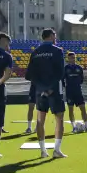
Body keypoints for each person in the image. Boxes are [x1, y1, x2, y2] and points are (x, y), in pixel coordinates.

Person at [26, 28, 67, 159]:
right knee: (59, 119)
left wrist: (42, 87)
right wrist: (50, 88)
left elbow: (28, 75)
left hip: (39, 90)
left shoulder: (35, 52)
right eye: (54, 35)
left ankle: (43, 151)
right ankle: (57, 150)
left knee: (40, 120)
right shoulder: (57, 51)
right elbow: (60, 72)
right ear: (50, 36)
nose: (56, 38)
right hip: (54, 89)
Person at [64, 52, 87, 133]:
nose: (73, 59)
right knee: (71, 110)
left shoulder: (79, 68)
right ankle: (74, 127)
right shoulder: (65, 68)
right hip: (69, 91)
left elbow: (81, 79)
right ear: (68, 58)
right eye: (71, 57)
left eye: (74, 57)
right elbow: (62, 79)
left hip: (78, 91)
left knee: (83, 108)